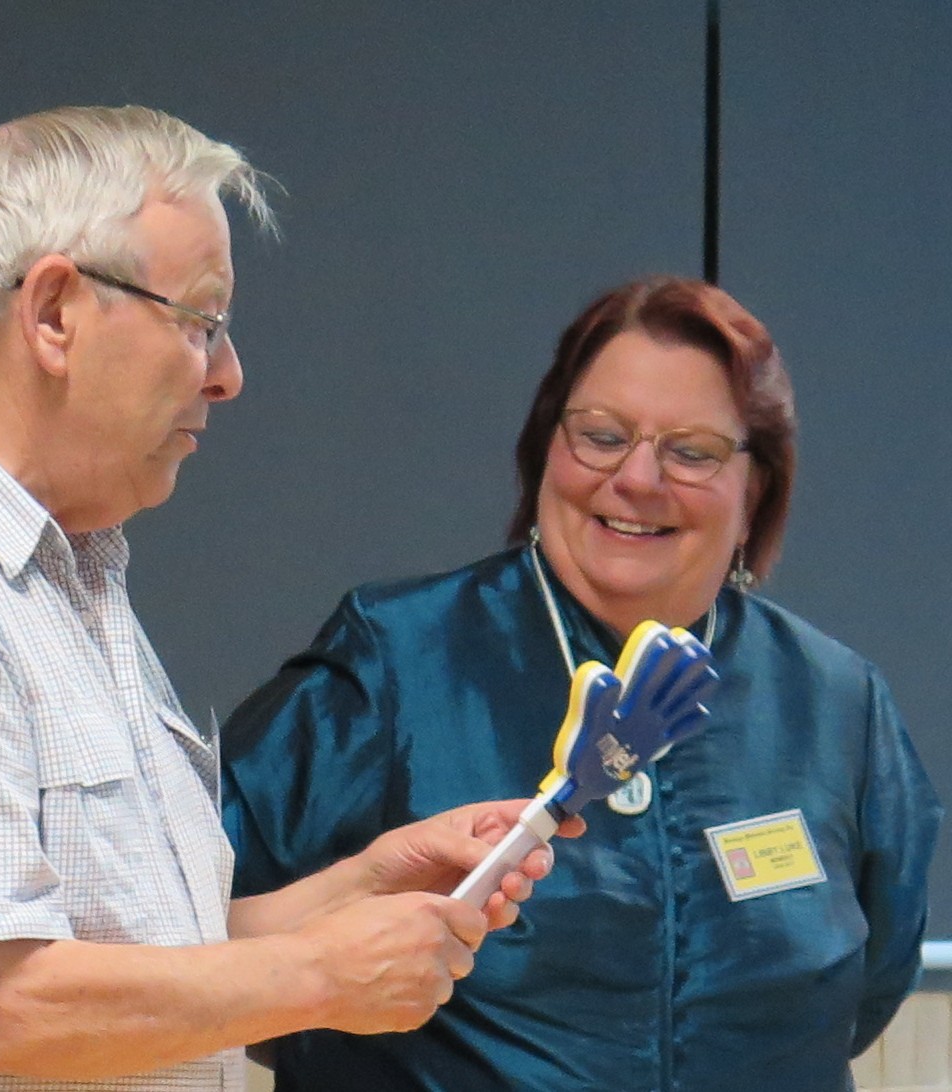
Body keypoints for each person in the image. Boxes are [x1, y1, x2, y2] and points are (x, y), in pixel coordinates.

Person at [0, 105, 581, 1090]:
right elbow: (3, 1005)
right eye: (201, 323)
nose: (228, 376)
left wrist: (355, 892)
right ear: (54, 314)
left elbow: (137, 958)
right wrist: (319, 975)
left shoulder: (61, 569)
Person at [222, 276, 943, 1092]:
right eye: (601, 436)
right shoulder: (396, 661)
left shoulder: (835, 703)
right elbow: (199, 940)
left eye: (692, 452)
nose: (637, 479)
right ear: (545, 450)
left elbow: (869, 986)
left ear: (757, 491)